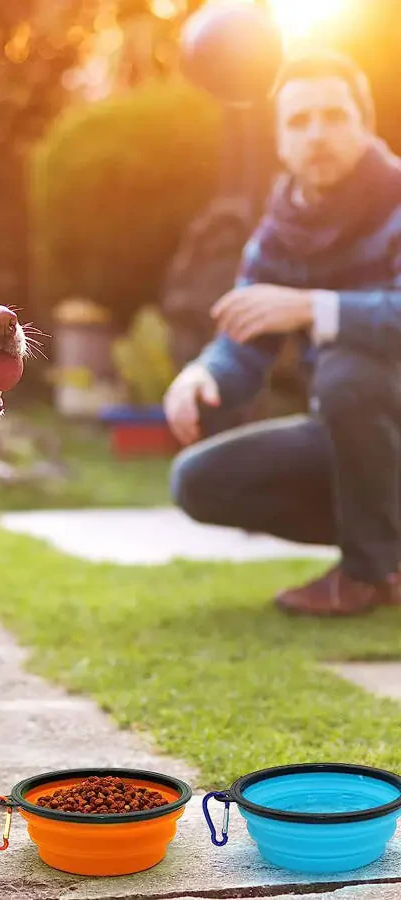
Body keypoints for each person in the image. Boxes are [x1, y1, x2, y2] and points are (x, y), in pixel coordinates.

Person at [164, 50, 401, 616]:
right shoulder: (278, 234)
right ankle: (388, 547)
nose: (317, 134)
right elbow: (246, 341)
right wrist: (204, 373)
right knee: (198, 480)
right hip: (353, 433)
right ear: (279, 140)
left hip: (377, 407)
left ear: (364, 125)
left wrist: (313, 307)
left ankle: (370, 575)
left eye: (334, 116)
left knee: (347, 372)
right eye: (298, 121)